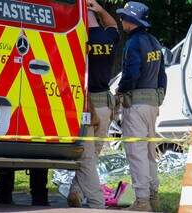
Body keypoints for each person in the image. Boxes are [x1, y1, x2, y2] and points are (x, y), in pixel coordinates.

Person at [67, 0, 119, 209]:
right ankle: (76, 193)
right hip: (105, 103)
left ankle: (93, 200)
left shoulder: (79, 40)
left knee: (86, 156)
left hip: (86, 104)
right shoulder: (108, 37)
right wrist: (100, 9)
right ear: (96, 18)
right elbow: (114, 25)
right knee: (93, 154)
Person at [116, 2, 167, 211]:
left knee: (136, 153)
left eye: (124, 17)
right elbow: (162, 74)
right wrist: (160, 95)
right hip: (152, 104)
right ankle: (153, 198)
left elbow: (132, 74)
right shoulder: (154, 42)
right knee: (149, 152)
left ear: (131, 21)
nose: (121, 20)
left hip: (136, 104)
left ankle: (142, 202)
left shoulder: (133, 43)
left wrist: (120, 91)